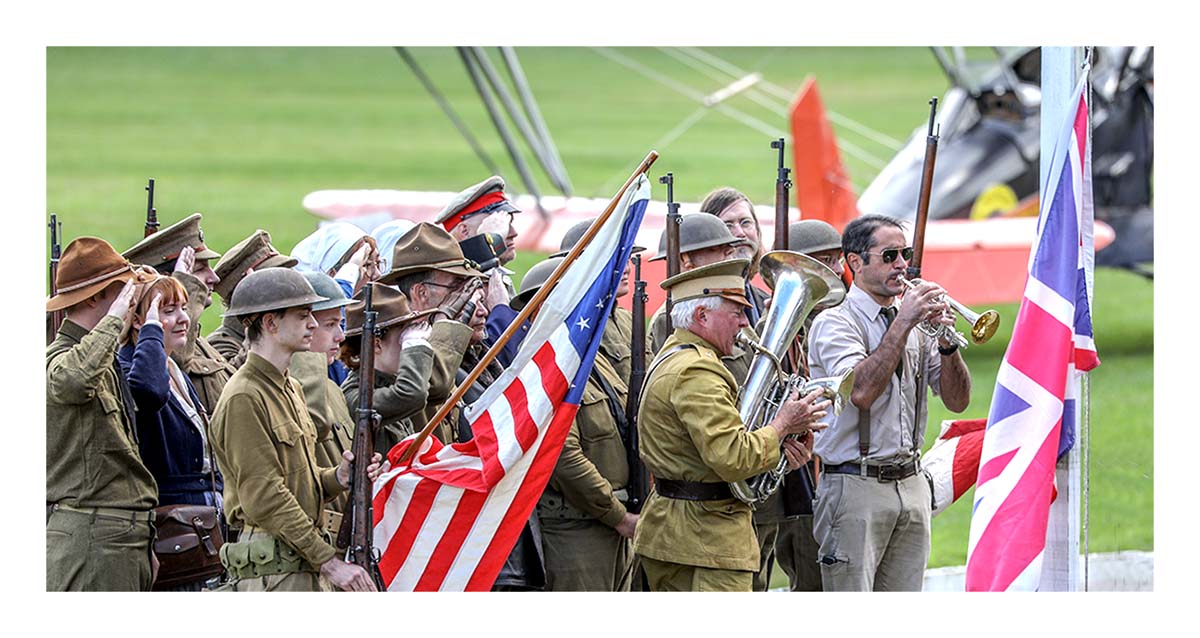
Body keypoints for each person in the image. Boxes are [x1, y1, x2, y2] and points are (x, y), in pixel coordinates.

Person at [632, 259, 830, 592]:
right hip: (707, 539)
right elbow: (733, 457)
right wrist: (782, 425)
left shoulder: (677, 356)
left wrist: (780, 451)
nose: (744, 322)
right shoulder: (698, 371)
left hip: (681, 532)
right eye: (736, 312)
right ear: (702, 316)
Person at [807, 214, 972, 592]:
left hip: (911, 481)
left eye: (905, 254)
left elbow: (958, 400)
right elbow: (861, 392)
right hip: (855, 484)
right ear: (855, 262)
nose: (901, 265)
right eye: (890, 255)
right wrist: (904, 322)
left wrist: (947, 342)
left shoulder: (911, 322)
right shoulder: (835, 322)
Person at [208, 268, 382, 592]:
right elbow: (265, 496)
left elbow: (297, 481)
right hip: (273, 572)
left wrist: (338, 477)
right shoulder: (245, 395)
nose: (313, 324)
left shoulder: (290, 388)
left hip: (297, 562)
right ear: (271, 324)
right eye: (303, 316)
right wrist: (328, 562)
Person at [46, 237, 158, 591]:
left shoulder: (100, 360)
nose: (131, 302)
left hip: (120, 538)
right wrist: (113, 320)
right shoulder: (59, 359)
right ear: (97, 298)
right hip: (93, 539)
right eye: (123, 292)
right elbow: (73, 382)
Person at [117, 274, 225, 590]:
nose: (183, 318)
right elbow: (149, 391)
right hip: (171, 529)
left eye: (182, 307)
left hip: (200, 522)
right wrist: (151, 327)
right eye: (167, 311)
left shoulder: (172, 366)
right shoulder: (133, 368)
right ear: (138, 321)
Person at [772, 219, 845, 592]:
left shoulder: (844, 320)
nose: (835, 272)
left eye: (837, 261)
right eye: (824, 262)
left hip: (840, 471)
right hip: (796, 475)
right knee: (812, 579)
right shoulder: (780, 319)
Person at [377, 222, 484, 445]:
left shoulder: (432, 335)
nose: (463, 297)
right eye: (456, 286)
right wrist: (447, 319)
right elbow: (436, 385)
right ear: (422, 292)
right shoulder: (395, 340)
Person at [123, 213, 235, 417]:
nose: (214, 277)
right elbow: (176, 358)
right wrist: (184, 287)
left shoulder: (199, 340)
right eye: (199, 269)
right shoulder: (163, 342)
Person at [340, 283, 439, 456]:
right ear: (376, 344)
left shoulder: (389, 380)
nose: (407, 345)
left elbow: (439, 385)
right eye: (404, 336)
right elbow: (412, 394)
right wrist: (414, 345)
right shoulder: (355, 394)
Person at [288, 272, 356, 523]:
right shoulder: (285, 389)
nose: (340, 336)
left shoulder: (332, 388)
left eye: (340, 324)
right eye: (330, 325)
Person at [646, 213, 750, 354]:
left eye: (728, 246)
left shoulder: (727, 308)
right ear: (685, 259)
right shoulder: (668, 319)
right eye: (715, 247)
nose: (730, 251)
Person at [208, 229, 298, 369]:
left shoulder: (284, 329)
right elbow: (239, 377)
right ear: (244, 291)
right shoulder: (219, 345)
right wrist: (254, 314)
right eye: (274, 282)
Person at [435, 175, 521, 299]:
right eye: (498, 225)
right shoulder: (450, 286)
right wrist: (487, 243)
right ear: (464, 231)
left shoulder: (495, 273)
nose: (513, 233)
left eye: (508, 224)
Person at [699, 187, 771, 324]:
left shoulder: (765, 303)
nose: (740, 233)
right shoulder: (688, 308)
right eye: (728, 225)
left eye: (746, 223)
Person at [291, 221, 381, 298]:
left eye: (378, 263)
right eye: (366, 265)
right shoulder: (327, 317)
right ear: (332, 274)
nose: (377, 275)